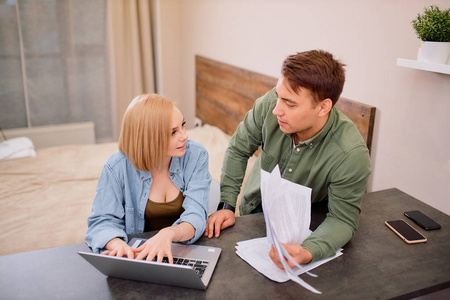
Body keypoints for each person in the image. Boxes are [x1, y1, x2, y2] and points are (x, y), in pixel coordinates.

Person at [204, 50, 371, 268]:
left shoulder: (351, 154)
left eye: (289, 104)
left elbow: (342, 219)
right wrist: (226, 204)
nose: (276, 110)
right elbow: (238, 148)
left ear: (323, 107)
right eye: (278, 96)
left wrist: (309, 251)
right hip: (254, 208)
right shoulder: (269, 105)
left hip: (307, 225)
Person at [85, 94, 211, 263]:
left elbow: (196, 215)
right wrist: (117, 245)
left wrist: (168, 234)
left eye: (183, 126)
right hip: (139, 254)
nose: (184, 136)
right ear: (150, 137)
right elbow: (102, 221)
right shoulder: (117, 167)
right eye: (173, 132)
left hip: (183, 252)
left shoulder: (196, 155)